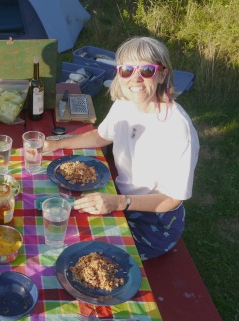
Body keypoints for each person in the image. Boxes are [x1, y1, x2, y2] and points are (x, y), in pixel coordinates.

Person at [44, 36, 199, 260]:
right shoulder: (125, 104)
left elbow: (173, 199)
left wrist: (119, 202)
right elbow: (101, 136)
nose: (135, 78)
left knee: (82, 255)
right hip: (119, 199)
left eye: (146, 69)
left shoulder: (177, 128)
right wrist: (55, 144)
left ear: (162, 74)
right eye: (127, 69)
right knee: (58, 221)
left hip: (154, 221)